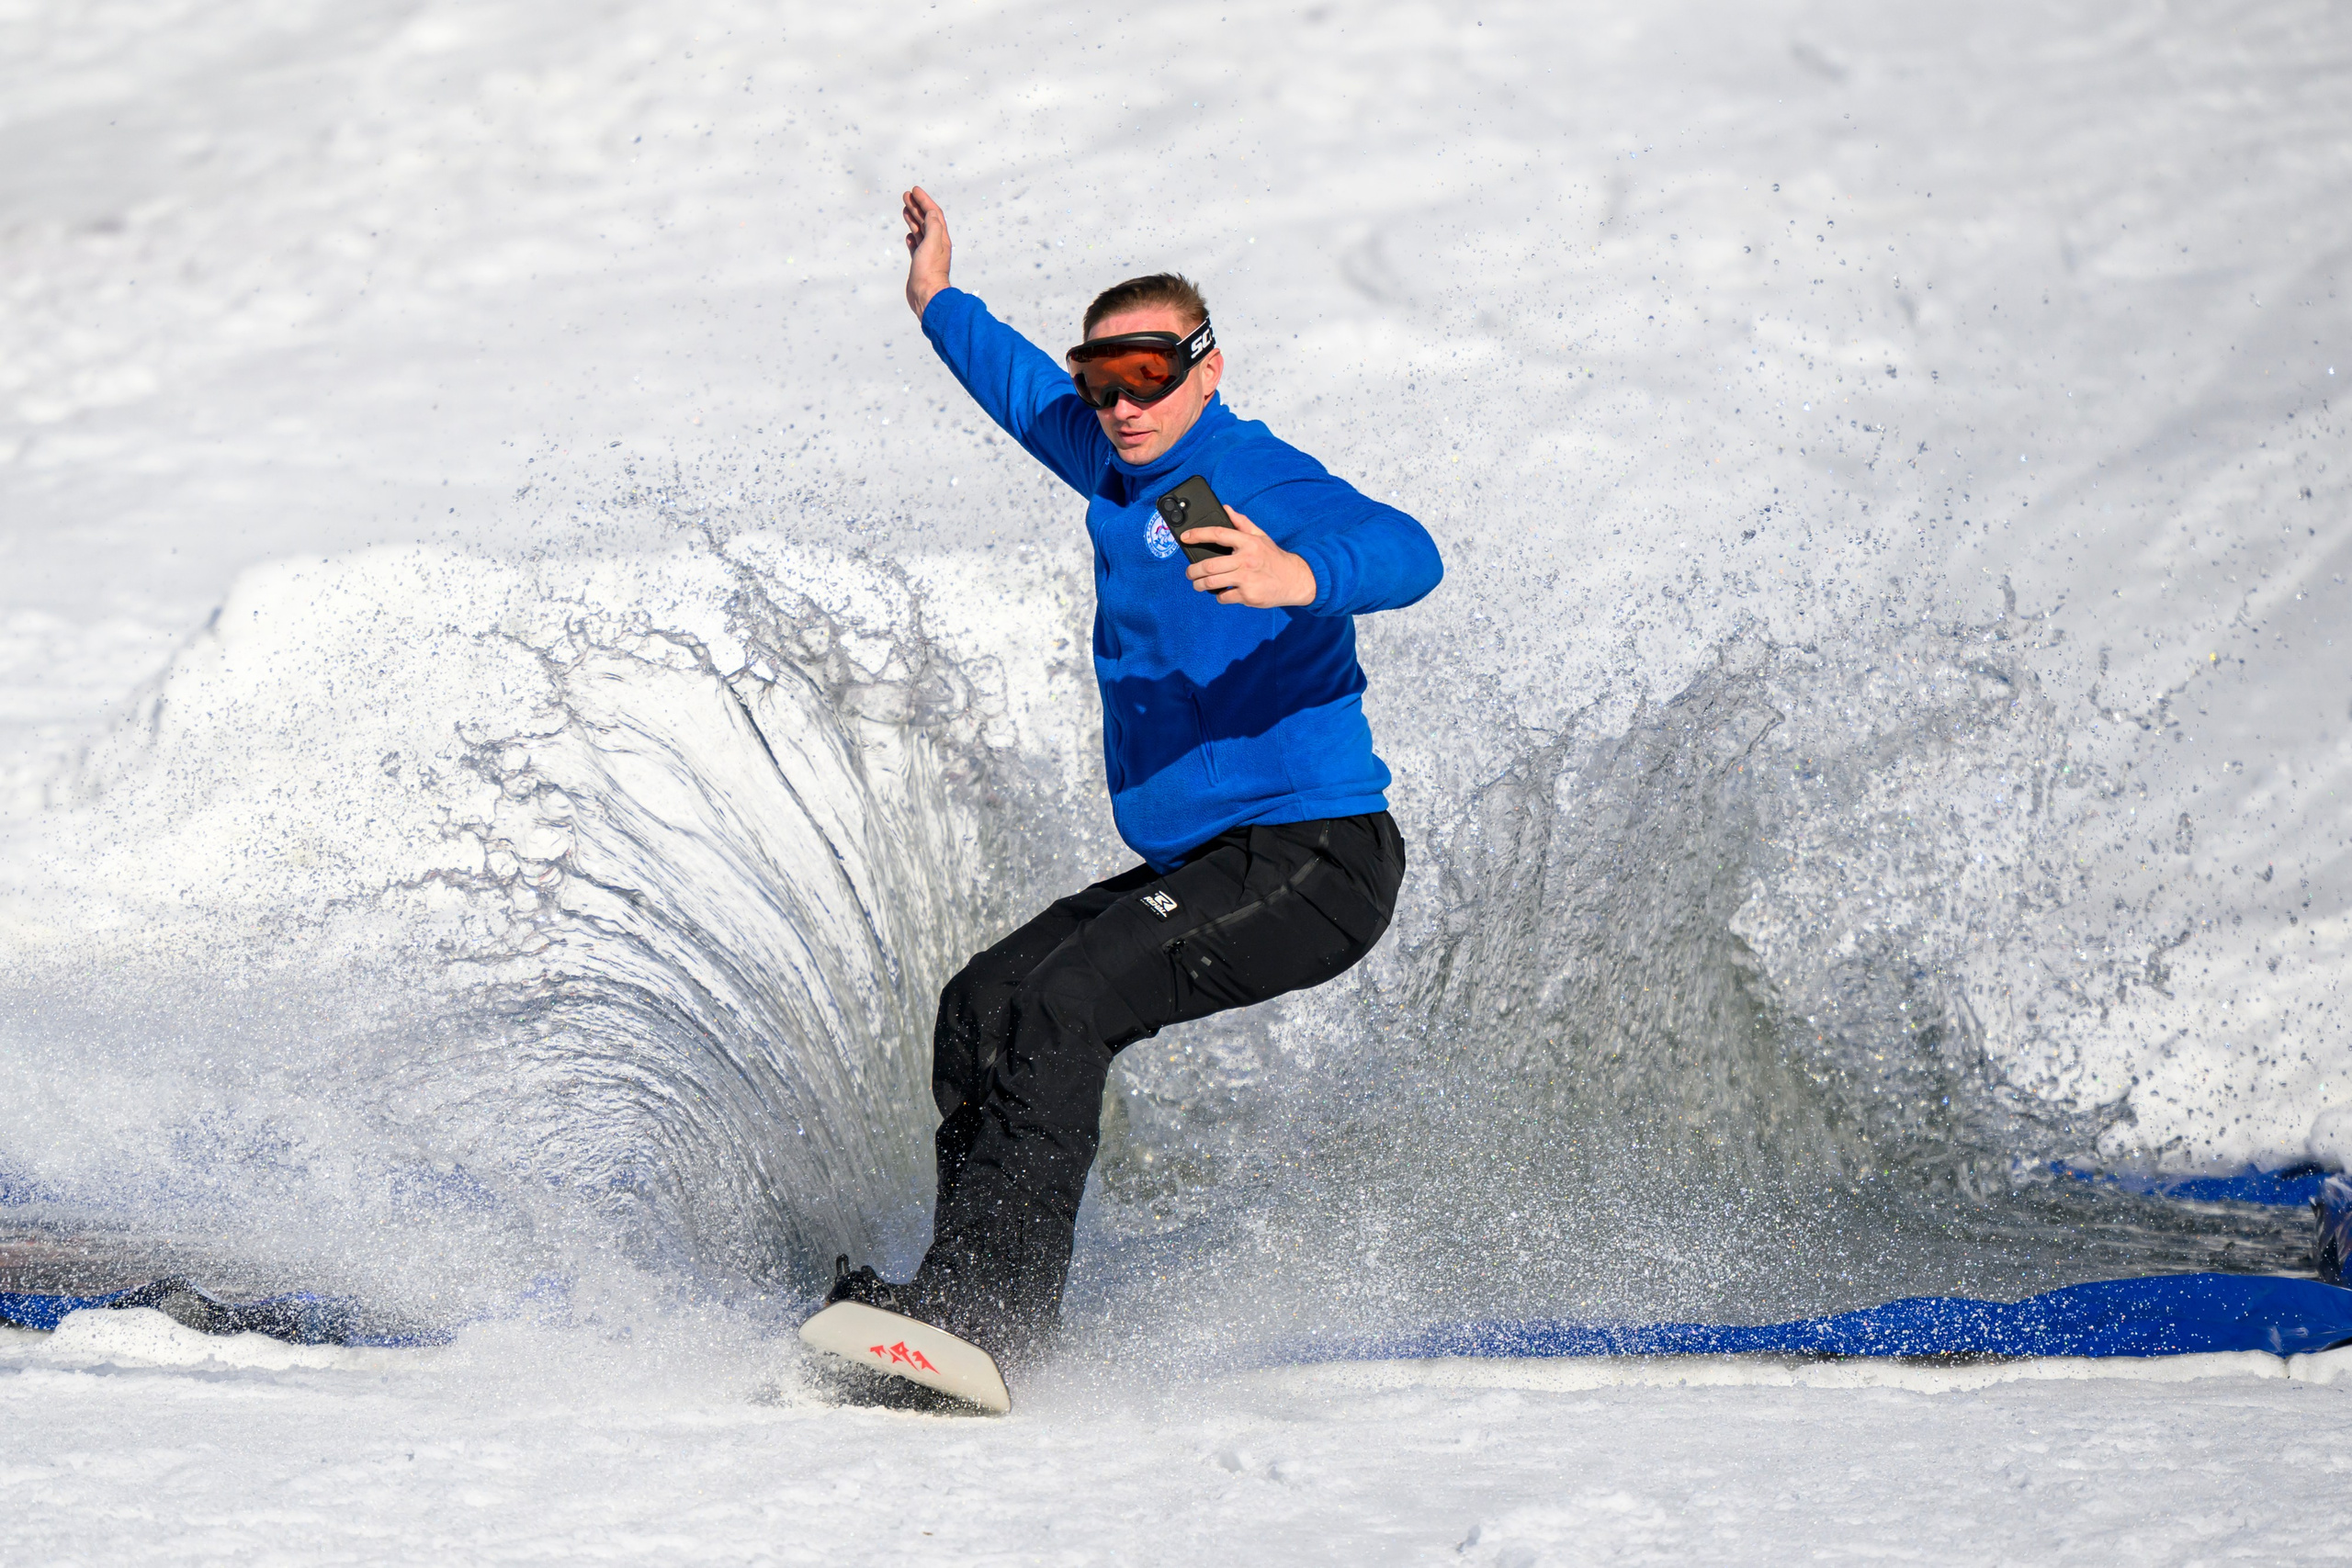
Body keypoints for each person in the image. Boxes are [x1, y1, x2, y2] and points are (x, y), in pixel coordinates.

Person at [825, 186, 1443, 1362]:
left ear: (1205, 369)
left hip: (1318, 856)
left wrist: (1298, 577)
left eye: (1149, 373)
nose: (1121, 404)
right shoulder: (1113, 464)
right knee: (985, 1006)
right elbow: (1017, 391)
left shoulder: (1258, 476)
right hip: (1211, 860)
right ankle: (950, 1297)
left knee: (1065, 1006)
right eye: (1101, 379)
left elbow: (1411, 550)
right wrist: (936, 297)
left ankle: (993, 1325)